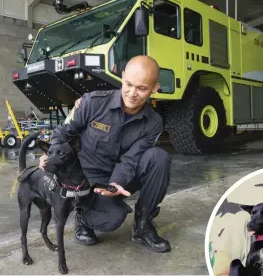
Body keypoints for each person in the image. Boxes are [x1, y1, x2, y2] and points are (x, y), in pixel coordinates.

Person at [39, 55, 171, 253]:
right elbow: (62, 133)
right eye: (128, 84)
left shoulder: (153, 123)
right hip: (88, 180)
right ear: (122, 76)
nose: (132, 93)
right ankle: (82, 214)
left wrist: (116, 183)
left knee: (159, 158)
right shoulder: (91, 103)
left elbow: (131, 159)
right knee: (111, 219)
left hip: (121, 177)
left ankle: (143, 224)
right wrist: (51, 154)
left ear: (154, 88)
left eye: (142, 88)